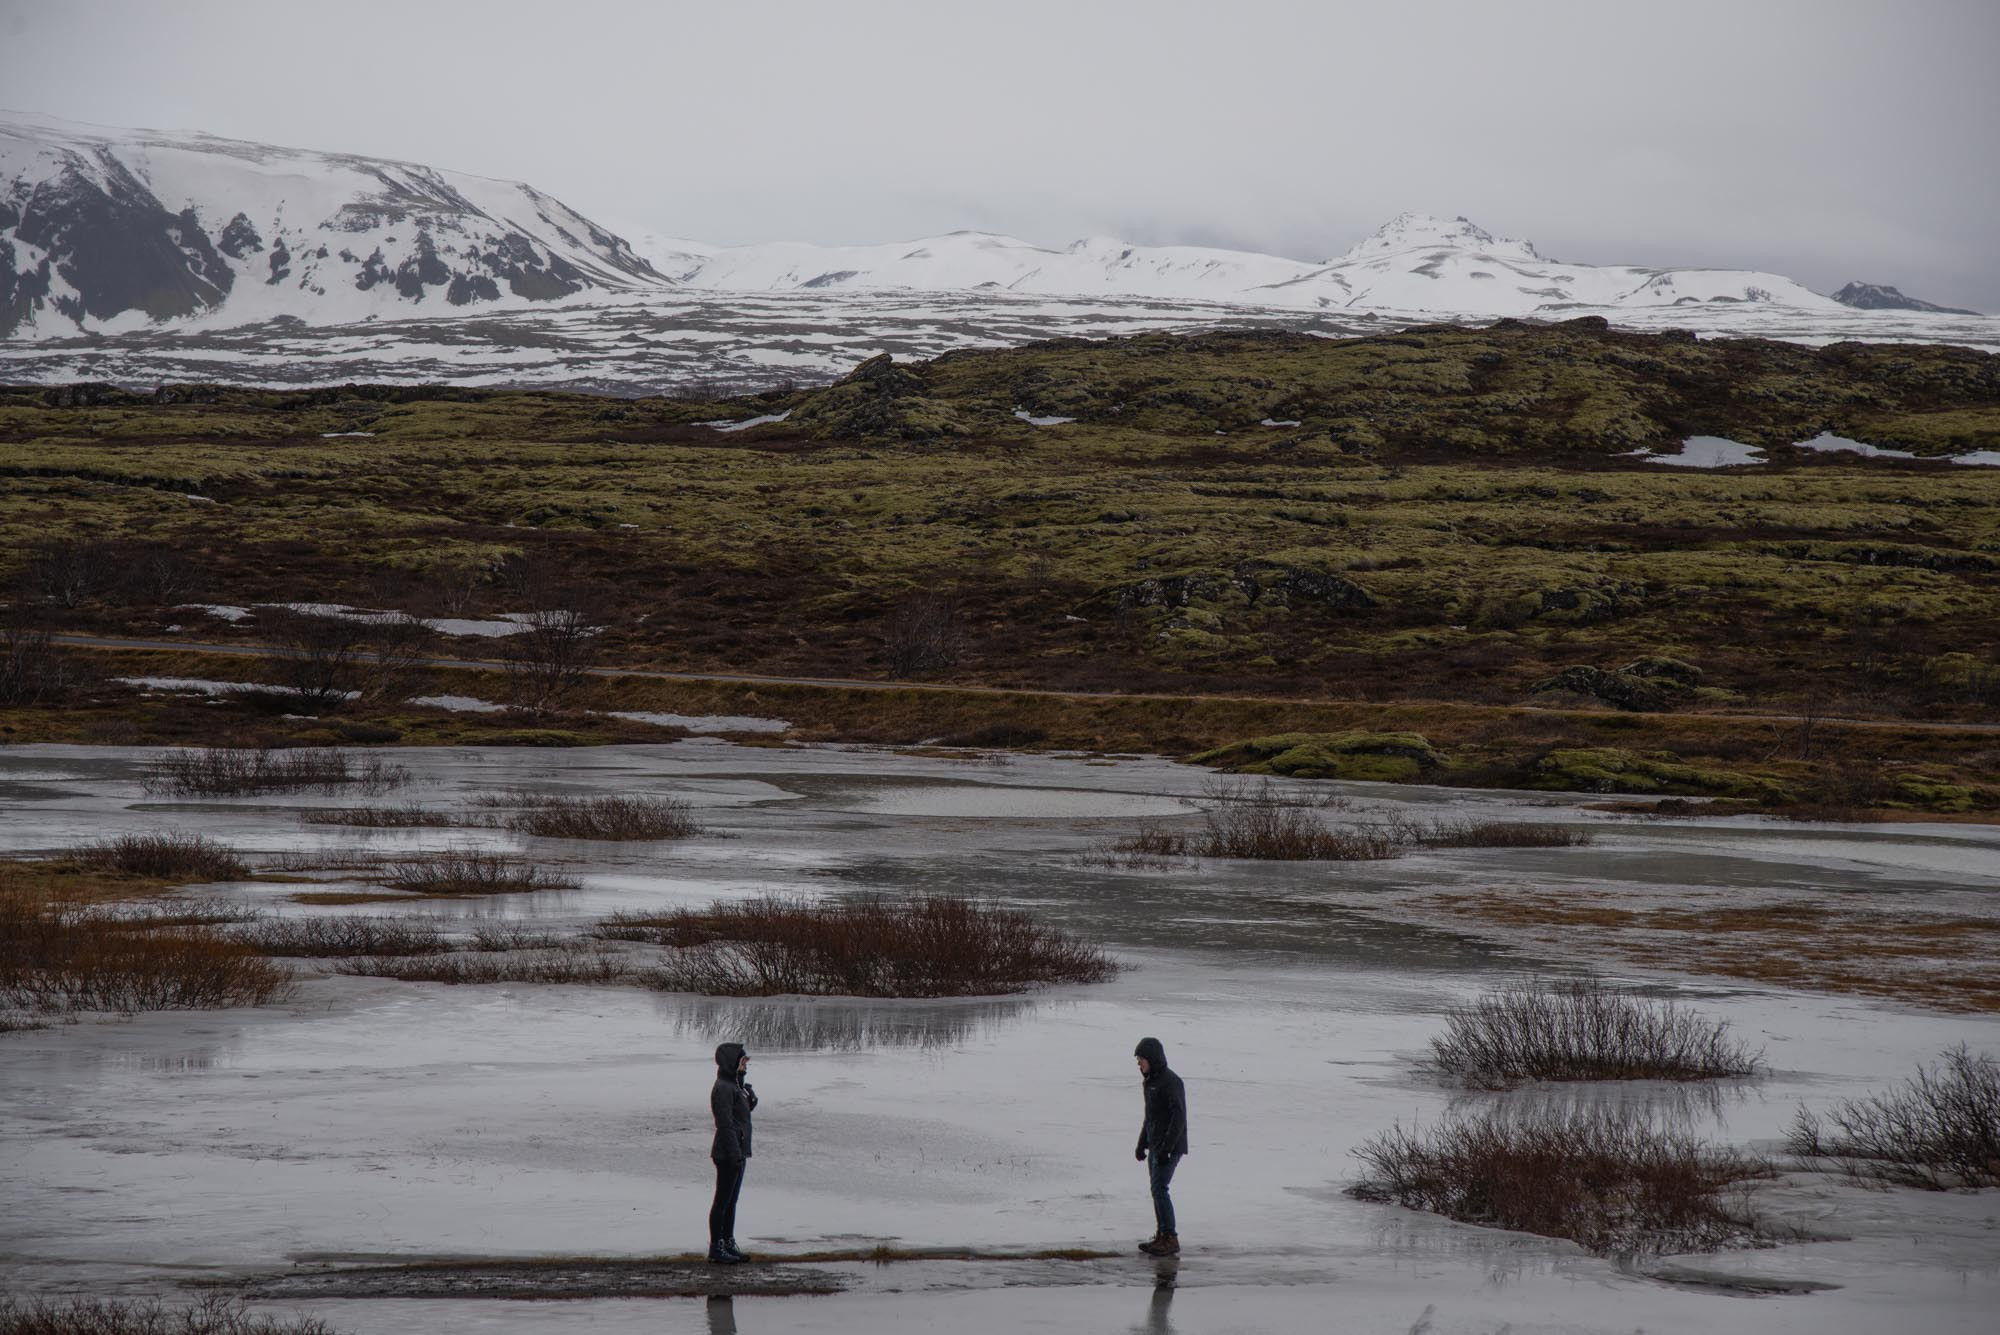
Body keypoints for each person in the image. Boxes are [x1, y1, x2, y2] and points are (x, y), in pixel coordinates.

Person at [1133, 1036, 1188, 1256]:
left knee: (1160, 1189)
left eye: (1141, 1060)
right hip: (1156, 1145)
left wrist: (1167, 1148)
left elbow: (1179, 1117)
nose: (1139, 1064)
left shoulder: (1170, 1081)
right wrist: (1142, 1144)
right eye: (1138, 1060)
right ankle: (1161, 1236)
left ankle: (1170, 1238)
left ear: (1152, 1059)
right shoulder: (1151, 1083)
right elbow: (1150, 1117)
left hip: (1169, 1147)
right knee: (1156, 1190)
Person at [708, 1042, 756, 1265]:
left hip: (738, 1152)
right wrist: (734, 1153)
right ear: (732, 1062)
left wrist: (751, 1101)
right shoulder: (723, 1088)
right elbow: (725, 1124)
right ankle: (716, 1247)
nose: (746, 1065)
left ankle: (728, 1242)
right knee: (723, 1202)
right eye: (743, 1061)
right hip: (727, 1153)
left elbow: (739, 1116)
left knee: (732, 1201)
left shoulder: (735, 1086)